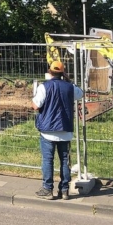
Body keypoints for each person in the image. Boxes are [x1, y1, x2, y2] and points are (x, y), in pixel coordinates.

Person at [31, 60, 83, 200]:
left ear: (49, 71)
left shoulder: (44, 87)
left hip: (48, 130)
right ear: (63, 72)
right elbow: (81, 94)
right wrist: (68, 80)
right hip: (65, 129)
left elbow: (35, 106)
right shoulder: (71, 87)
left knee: (48, 160)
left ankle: (48, 189)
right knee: (65, 160)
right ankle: (64, 190)